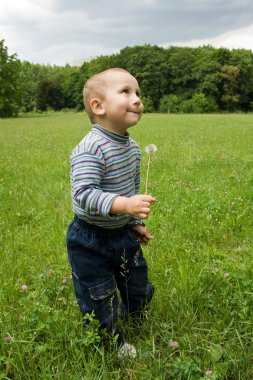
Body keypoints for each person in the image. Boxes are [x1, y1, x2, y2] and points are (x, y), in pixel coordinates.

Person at [66, 68, 156, 358]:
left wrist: (134, 221)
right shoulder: (90, 148)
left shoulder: (132, 148)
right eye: (126, 92)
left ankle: (136, 314)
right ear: (98, 106)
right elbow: (84, 195)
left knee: (137, 281)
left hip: (122, 232)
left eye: (138, 93)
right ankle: (111, 342)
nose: (137, 100)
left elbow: (131, 188)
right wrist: (125, 205)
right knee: (99, 294)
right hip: (89, 238)